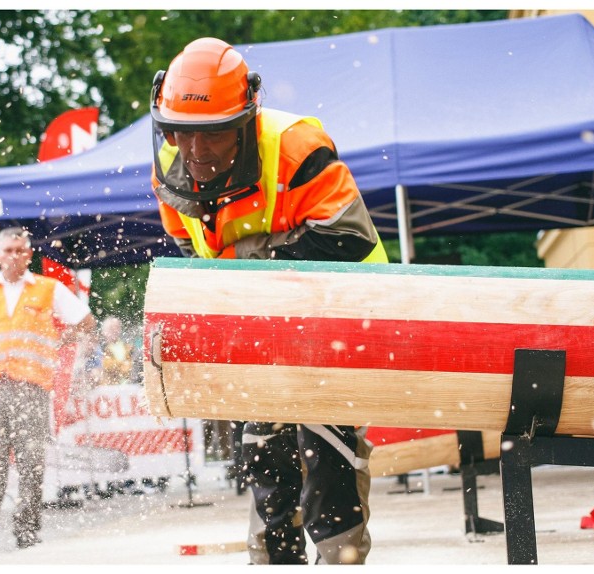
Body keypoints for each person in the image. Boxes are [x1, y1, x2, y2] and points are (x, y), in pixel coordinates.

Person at [149, 37, 388, 565]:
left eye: (210, 137)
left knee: (329, 453)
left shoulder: (297, 147)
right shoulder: (170, 171)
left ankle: (341, 556)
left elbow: (346, 240)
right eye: (181, 134)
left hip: (337, 318)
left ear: (244, 121)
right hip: (260, 331)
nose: (195, 151)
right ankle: (273, 558)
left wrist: (248, 264)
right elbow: (196, 259)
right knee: (263, 455)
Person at [0, 226, 97, 556]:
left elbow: (87, 322)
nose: (14, 255)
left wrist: (59, 340)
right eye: (8, 250)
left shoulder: (47, 289)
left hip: (31, 388)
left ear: (29, 254)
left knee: (31, 463)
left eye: (19, 250)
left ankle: (27, 530)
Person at [96, 316, 136, 386]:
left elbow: (134, 366)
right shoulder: (99, 348)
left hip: (128, 387)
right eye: (111, 328)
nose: (115, 331)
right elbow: (105, 367)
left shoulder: (128, 347)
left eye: (117, 327)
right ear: (104, 331)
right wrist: (123, 366)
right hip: (108, 388)